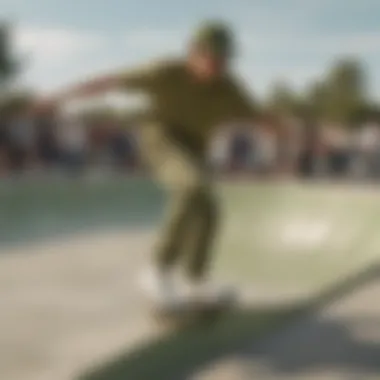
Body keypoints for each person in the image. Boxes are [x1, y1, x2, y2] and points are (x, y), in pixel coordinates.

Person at [36, 20, 259, 307]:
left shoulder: (229, 88)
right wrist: (60, 97)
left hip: (195, 148)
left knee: (210, 208)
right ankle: (157, 270)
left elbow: (260, 118)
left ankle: (196, 279)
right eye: (212, 58)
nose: (218, 67)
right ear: (193, 52)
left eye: (224, 60)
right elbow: (109, 82)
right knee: (191, 187)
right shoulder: (164, 72)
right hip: (161, 139)